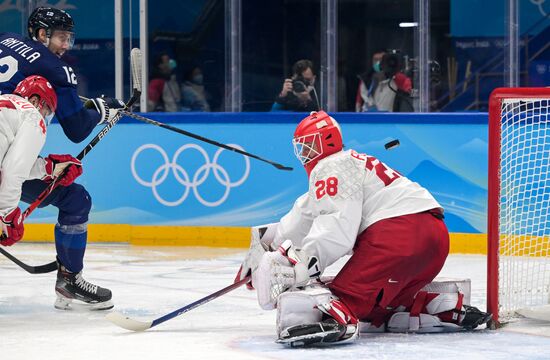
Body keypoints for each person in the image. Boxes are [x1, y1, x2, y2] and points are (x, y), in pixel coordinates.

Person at [236, 111, 491, 346]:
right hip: (434, 240)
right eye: (302, 146)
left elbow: (336, 228)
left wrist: (302, 265)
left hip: (400, 237)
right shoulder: (349, 166)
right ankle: (429, 307)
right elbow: (299, 220)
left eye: (309, 144)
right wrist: (260, 249)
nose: (305, 153)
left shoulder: (331, 166)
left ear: (327, 141)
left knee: (336, 299)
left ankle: (341, 320)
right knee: (379, 308)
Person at [0, 7, 124, 310]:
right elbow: (78, 129)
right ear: (41, 34)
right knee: (76, 200)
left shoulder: (4, 39)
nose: (66, 45)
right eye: (61, 37)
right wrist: (103, 112)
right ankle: (69, 280)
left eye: (70, 38)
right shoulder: (53, 73)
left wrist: (49, 167)